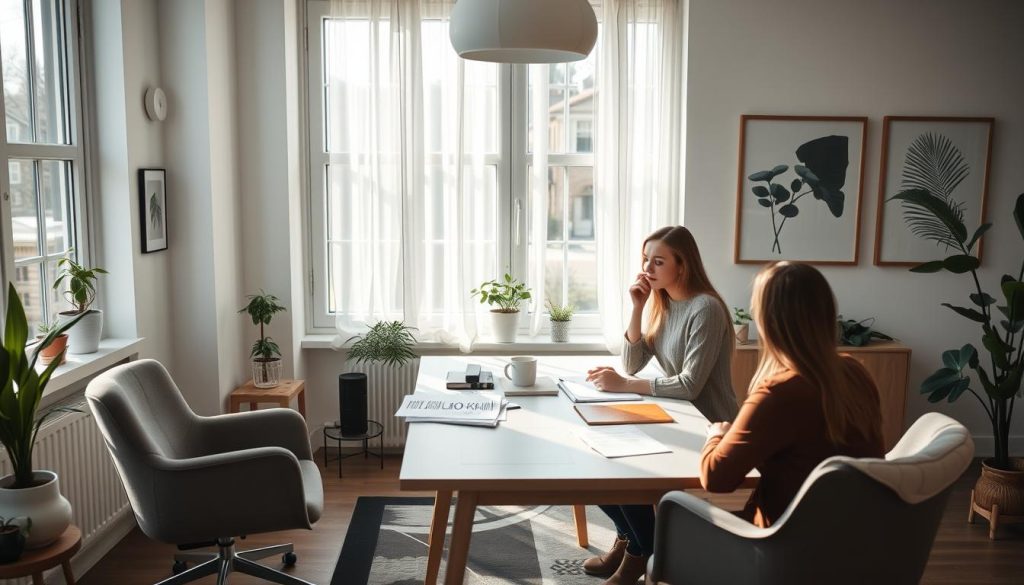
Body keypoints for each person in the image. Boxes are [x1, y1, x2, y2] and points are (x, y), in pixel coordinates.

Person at [582, 225, 738, 585]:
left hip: (708, 425)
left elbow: (689, 384)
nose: (647, 269)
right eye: (645, 260)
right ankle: (630, 538)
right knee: (596, 465)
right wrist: (637, 308)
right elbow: (632, 363)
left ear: (682, 265)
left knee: (625, 473)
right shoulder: (664, 303)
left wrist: (624, 385)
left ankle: (641, 552)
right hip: (676, 417)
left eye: (658, 261)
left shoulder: (706, 308)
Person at [701, 261, 884, 528]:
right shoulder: (855, 372)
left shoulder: (779, 393)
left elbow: (716, 478)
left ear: (767, 321)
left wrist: (716, 434)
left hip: (783, 545)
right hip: (852, 539)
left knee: (672, 515)